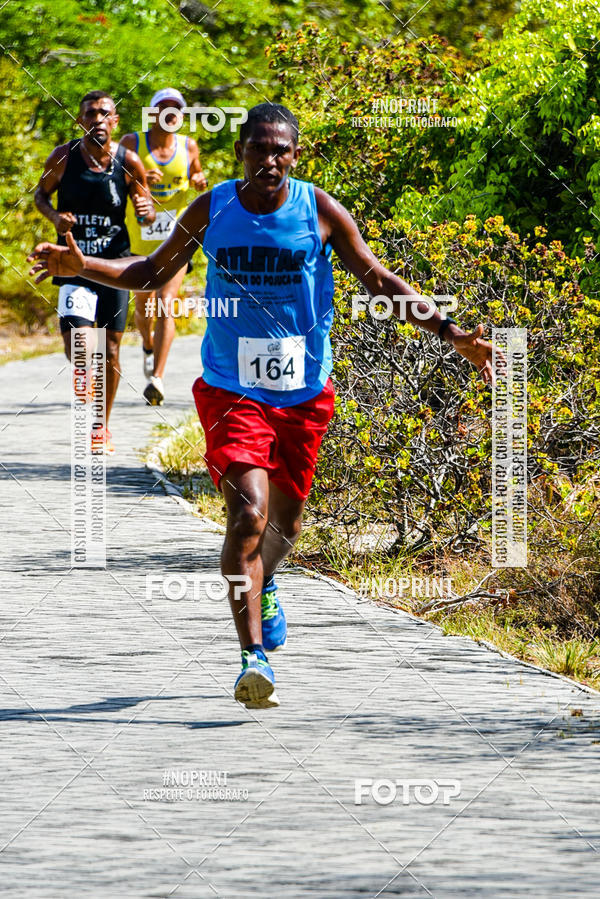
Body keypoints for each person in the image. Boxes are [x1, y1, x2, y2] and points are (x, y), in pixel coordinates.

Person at [29, 102, 498, 706]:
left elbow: (379, 281)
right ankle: (253, 659)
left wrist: (452, 334)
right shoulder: (212, 208)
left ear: (295, 156)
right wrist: (84, 266)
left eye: (281, 151)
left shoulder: (318, 210)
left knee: (285, 524)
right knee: (248, 514)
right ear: (240, 152)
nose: (270, 160)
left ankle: (264, 580)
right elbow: (150, 270)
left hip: (304, 391)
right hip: (232, 388)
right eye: (259, 149)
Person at [34, 89, 154, 454]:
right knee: (81, 346)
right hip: (74, 264)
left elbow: (146, 208)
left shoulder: (129, 161)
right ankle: (83, 373)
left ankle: (101, 427)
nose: (97, 119)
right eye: (90, 113)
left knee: (112, 349)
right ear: (80, 120)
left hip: (114, 266)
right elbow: (40, 194)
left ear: (115, 121)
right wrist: (55, 217)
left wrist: (146, 211)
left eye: (104, 113)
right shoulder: (64, 157)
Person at [120, 88, 208, 406]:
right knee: (143, 307)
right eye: (164, 107)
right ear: (153, 112)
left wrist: (199, 180)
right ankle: (147, 343)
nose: (170, 113)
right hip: (139, 238)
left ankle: (156, 378)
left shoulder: (188, 146)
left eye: (176, 108)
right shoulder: (132, 143)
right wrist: (140, 176)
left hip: (175, 239)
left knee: (166, 304)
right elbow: (114, 179)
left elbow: (197, 173)